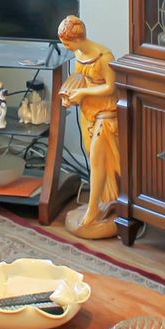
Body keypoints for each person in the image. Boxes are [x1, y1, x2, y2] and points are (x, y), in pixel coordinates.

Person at [57, 15, 120, 239]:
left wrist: (83, 92)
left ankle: (93, 209)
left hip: (106, 115)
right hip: (89, 114)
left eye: (67, 43)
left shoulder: (104, 57)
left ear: (78, 38)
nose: (66, 48)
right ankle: (102, 201)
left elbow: (111, 88)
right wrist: (71, 95)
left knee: (99, 161)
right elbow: (81, 79)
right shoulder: (78, 54)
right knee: (94, 160)